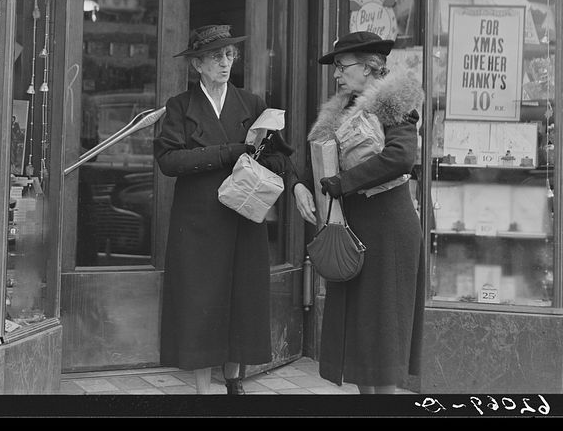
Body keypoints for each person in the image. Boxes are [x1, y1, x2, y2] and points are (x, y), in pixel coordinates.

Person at [154, 24, 293, 395]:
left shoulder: (253, 104)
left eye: (230, 55)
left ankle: (234, 381)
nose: (225, 62)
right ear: (197, 64)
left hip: (244, 219)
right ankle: (203, 390)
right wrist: (230, 152)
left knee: (242, 299)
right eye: (216, 56)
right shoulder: (180, 106)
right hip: (197, 223)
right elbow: (168, 160)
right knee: (200, 301)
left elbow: (284, 158)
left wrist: (262, 163)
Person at [291, 30, 426, 394]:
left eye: (341, 66)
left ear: (369, 67)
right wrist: (300, 185)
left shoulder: (392, 103)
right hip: (353, 231)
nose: (336, 74)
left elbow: (400, 157)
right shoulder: (344, 108)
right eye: (335, 67)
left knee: (382, 338)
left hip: (388, 234)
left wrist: (345, 182)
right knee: (360, 340)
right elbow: (320, 161)